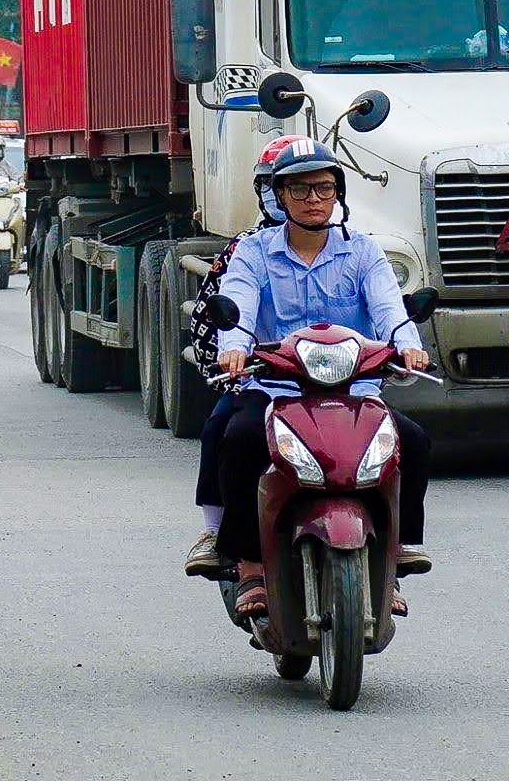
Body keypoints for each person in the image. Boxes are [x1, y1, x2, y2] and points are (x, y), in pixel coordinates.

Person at [184, 137, 434, 616]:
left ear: (338, 193)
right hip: (276, 389)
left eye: (322, 188)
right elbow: (237, 307)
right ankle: (249, 564)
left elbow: (388, 306)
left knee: (414, 442)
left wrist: (409, 346)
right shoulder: (254, 251)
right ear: (279, 196)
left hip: (354, 390)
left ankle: (395, 556)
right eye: (299, 190)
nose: (313, 200)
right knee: (236, 439)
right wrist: (234, 350)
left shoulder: (363, 252)